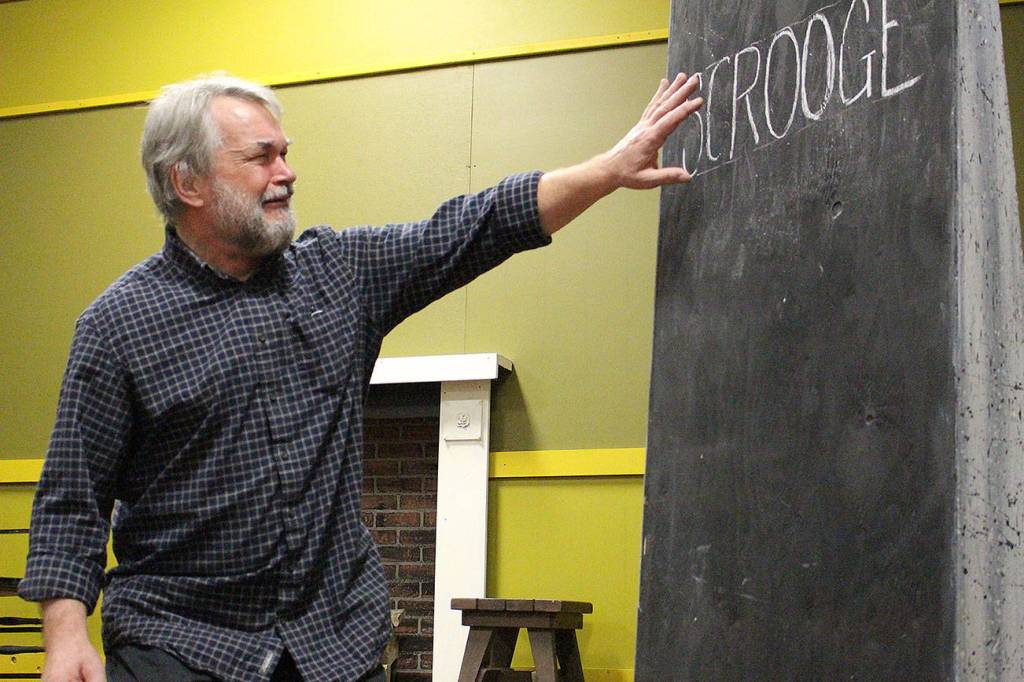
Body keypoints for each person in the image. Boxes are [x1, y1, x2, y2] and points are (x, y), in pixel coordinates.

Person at [19, 71, 702, 682]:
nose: (285, 172)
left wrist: (607, 171)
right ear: (188, 182)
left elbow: (473, 227)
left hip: (331, 641)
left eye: (285, 151)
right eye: (260, 157)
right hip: (180, 641)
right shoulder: (117, 324)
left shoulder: (339, 274)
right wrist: (65, 634)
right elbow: (72, 494)